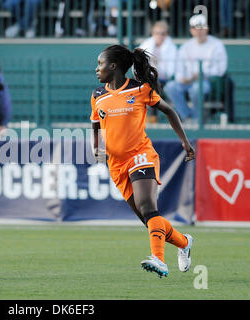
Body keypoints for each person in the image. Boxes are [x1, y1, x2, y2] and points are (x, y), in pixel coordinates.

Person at [91, 44, 195, 278]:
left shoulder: (141, 90)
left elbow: (169, 111)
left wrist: (185, 142)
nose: (97, 69)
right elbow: (95, 126)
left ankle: (159, 260)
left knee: (149, 207)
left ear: (114, 66)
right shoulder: (97, 95)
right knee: (148, 219)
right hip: (116, 165)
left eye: (100, 64)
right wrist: (96, 150)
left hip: (140, 154)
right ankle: (184, 242)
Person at [163, 14, 227, 124]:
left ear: (207, 28)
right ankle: (187, 116)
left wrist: (202, 74)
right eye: (195, 28)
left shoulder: (217, 45)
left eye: (202, 28)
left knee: (196, 89)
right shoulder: (186, 47)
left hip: (207, 81)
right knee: (170, 87)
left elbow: (221, 69)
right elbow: (179, 69)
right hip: (187, 81)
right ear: (191, 30)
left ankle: (197, 119)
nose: (199, 31)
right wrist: (182, 78)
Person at [139, 20, 177, 123]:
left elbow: (170, 71)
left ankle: (153, 118)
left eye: (163, 34)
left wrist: (158, 64)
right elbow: (138, 65)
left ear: (167, 34)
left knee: (153, 86)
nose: (159, 36)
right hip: (146, 77)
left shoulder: (171, 48)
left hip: (163, 79)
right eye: (157, 33)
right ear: (153, 33)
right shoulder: (145, 44)